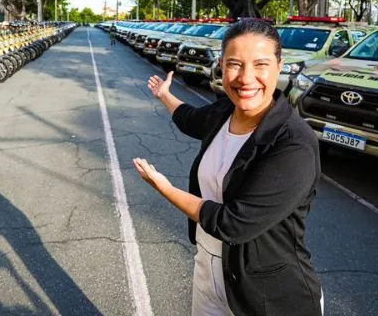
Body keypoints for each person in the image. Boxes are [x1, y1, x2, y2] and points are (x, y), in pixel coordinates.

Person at [135, 19, 323, 316]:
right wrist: (165, 95)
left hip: (268, 294)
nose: (246, 78)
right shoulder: (224, 111)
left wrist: (164, 188)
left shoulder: (293, 143)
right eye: (235, 64)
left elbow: (232, 224)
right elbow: (190, 119)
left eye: (260, 64)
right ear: (221, 65)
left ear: (279, 66)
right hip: (208, 270)